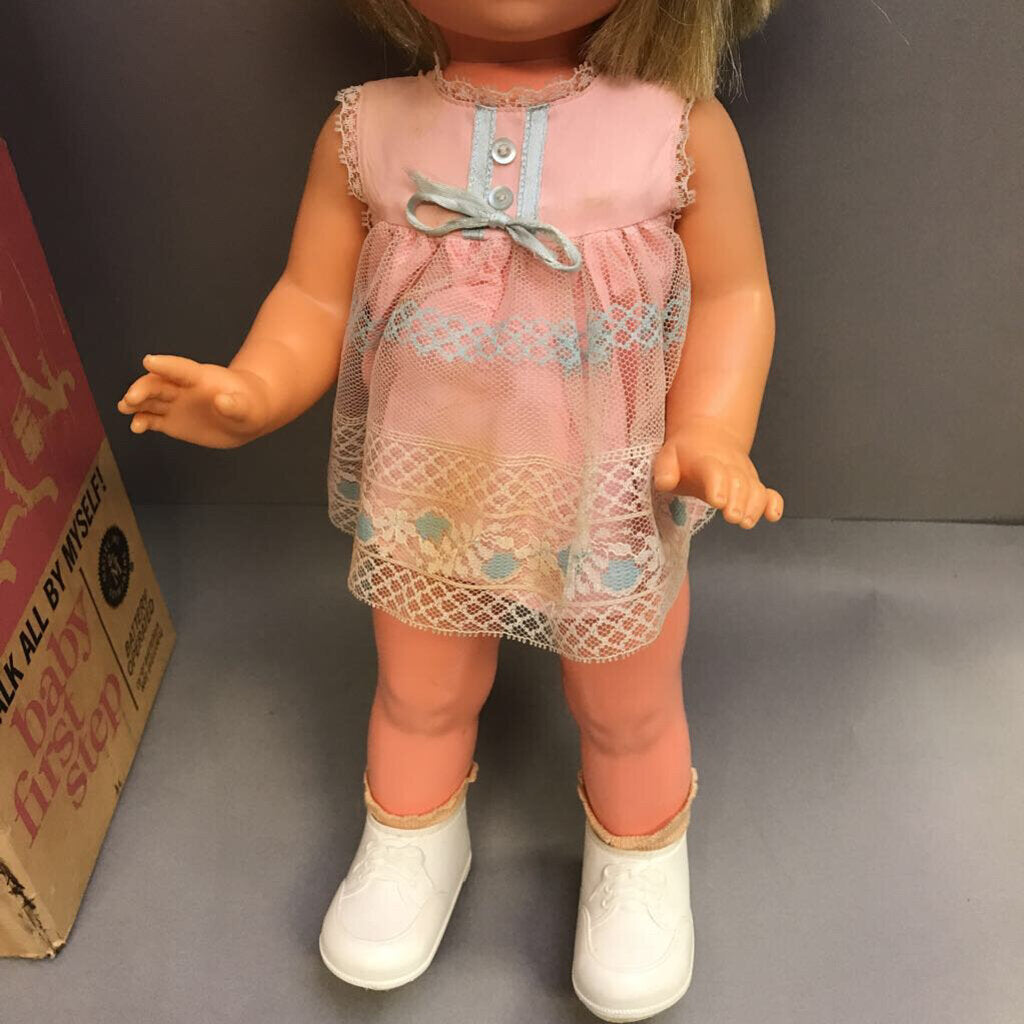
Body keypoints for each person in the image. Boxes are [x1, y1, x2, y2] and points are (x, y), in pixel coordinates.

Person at [118, 1, 782, 1018]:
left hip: (608, 487)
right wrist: (254, 387)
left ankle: (638, 855)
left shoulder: (674, 128)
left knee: (628, 700)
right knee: (418, 686)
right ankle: (413, 833)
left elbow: (735, 295)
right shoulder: (371, 129)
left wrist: (711, 430)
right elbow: (313, 297)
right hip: (432, 486)